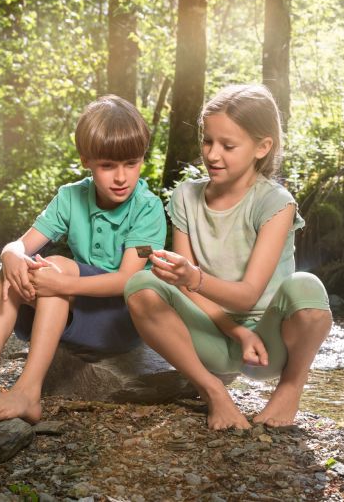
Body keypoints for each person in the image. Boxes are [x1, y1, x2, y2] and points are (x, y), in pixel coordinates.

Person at [0, 95, 166, 434]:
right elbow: (20, 245)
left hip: (119, 321)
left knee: (54, 267)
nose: (121, 177)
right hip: (75, 311)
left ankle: (28, 392)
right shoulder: (71, 197)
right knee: (15, 270)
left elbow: (127, 279)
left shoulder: (147, 208)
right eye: (107, 166)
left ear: (142, 158)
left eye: (131, 163)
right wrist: (9, 254)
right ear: (86, 160)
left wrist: (63, 283)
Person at [124, 84, 332, 430]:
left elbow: (249, 293)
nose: (213, 155)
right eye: (208, 141)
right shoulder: (186, 197)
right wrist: (233, 329)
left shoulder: (275, 203)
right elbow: (186, 289)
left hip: (266, 347)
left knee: (306, 288)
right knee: (142, 284)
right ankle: (213, 392)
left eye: (228, 145)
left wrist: (193, 277)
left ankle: (291, 387)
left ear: (262, 147)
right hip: (210, 335)